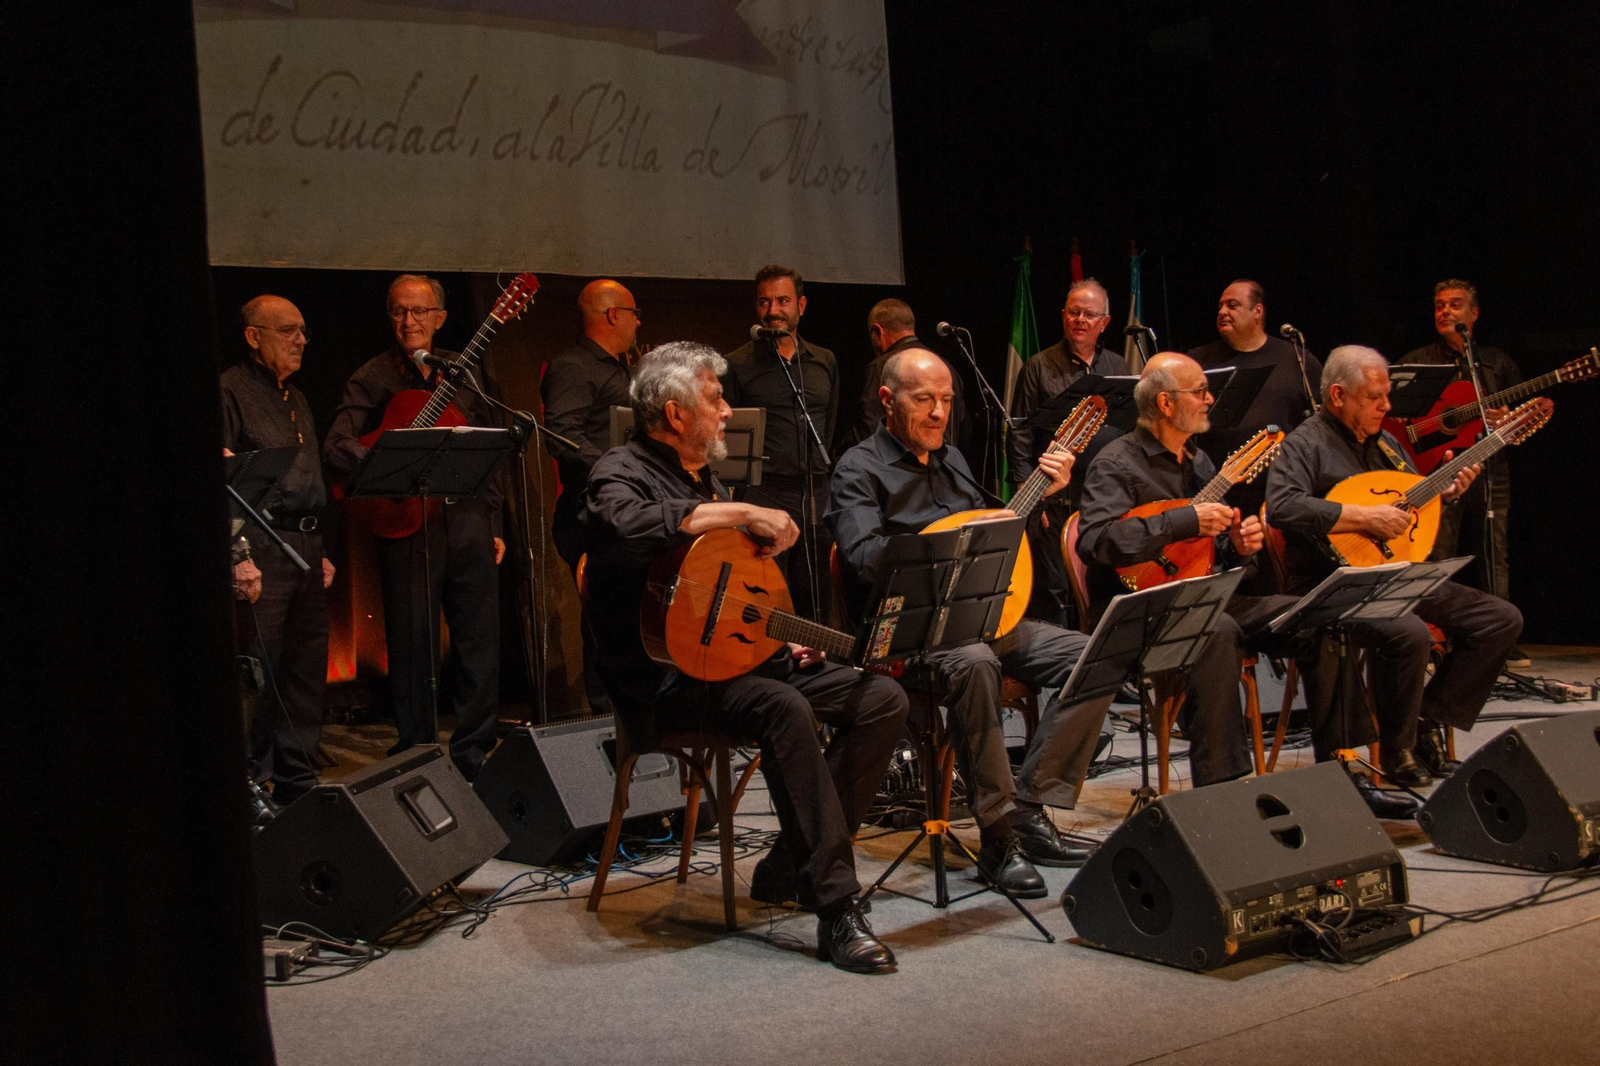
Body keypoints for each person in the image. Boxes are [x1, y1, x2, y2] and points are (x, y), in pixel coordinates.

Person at [582, 341, 906, 975]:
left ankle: (789, 865)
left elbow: (718, 597)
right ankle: (836, 906)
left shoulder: (703, 478)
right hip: (665, 683)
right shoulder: (618, 471)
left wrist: (775, 638)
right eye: (716, 398)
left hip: (735, 664)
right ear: (675, 413)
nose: (729, 410)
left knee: (880, 698)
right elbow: (623, 527)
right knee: (783, 707)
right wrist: (742, 509)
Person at [830, 348, 1115, 898]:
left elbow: (995, 541)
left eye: (945, 400)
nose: (939, 413)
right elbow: (862, 557)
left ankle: (1028, 805)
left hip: (979, 617)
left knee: (1095, 653)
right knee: (976, 664)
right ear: (888, 400)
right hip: (907, 632)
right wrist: (944, 546)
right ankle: (998, 839)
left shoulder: (954, 460)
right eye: (923, 400)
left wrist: (1038, 499)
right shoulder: (857, 468)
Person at [1075, 354, 1348, 800]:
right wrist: (1186, 520)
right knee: (1215, 628)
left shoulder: (1200, 463)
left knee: (1320, 615)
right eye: (1199, 391)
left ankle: (1343, 766)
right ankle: (1223, 791)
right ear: (1165, 403)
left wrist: (1238, 546)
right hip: (1139, 610)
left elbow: (1209, 557)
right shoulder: (1116, 463)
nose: (1209, 400)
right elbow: (1098, 543)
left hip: (1204, 595)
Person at [1265, 345, 1523, 787]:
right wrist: (1361, 517)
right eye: (1374, 397)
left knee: (1500, 619)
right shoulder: (1305, 444)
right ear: (1338, 396)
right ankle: (1396, 750)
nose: (1387, 406)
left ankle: (1424, 719)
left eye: (1387, 395)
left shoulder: (1386, 442)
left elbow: (1408, 502)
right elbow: (1282, 506)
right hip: (1332, 583)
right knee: (1409, 632)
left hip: (1392, 574)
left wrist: (1446, 491)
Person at [324, 274, 505, 780]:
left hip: (467, 517)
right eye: (399, 311)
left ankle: (475, 750)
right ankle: (415, 750)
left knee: (478, 639)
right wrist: (389, 461)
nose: (409, 321)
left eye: (420, 311)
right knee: (411, 642)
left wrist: (494, 521)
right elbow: (336, 444)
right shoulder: (373, 375)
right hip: (408, 522)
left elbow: (490, 446)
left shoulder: (464, 371)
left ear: (440, 318)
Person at [220, 295, 334, 806]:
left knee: (304, 671)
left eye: (303, 330)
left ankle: (297, 782)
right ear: (253, 336)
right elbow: (224, 481)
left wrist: (320, 548)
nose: (300, 340)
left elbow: (308, 478)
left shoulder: (297, 397)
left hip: (304, 544)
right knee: (258, 673)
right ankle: (248, 785)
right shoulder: (229, 390)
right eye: (287, 330)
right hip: (260, 545)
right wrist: (238, 554)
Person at [1400, 278, 1528, 667]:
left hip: (1490, 469)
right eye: (1439, 305)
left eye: (1455, 305)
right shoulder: (1419, 360)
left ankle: (1500, 639)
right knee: (1438, 552)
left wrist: (1507, 421)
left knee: (1494, 551)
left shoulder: (1496, 363)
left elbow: (1519, 418)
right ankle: (1434, 637)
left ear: (1474, 314)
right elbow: (1397, 417)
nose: (1445, 312)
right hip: (1437, 470)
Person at [541, 279, 639, 714]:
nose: (638, 324)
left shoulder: (622, 368)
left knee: (629, 617)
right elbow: (562, 437)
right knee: (604, 619)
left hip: (625, 511)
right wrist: (619, 471)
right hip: (590, 514)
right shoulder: (574, 367)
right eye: (635, 314)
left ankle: (632, 717)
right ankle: (605, 723)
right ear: (614, 314)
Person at [1008, 278, 1130, 625]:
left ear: (1104, 322)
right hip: (1055, 501)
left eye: (1089, 314)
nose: (1080, 319)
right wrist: (1031, 498)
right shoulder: (1038, 366)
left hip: (1105, 500)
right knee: (1056, 590)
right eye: (1073, 312)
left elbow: (1131, 431)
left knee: (1102, 586)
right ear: (1063, 316)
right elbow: (1019, 431)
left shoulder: (1119, 367)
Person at [721, 264, 838, 622]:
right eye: (764, 302)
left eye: (783, 301)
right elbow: (726, 438)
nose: (773, 310)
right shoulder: (737, 364)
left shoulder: (825, 361)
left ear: (801, 305)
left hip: (818, 497)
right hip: (765, 495)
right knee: (767, 600)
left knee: (817, 602)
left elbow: (829, 427)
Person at [1188, 279, 1322, 518]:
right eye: (1220, 306)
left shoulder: (1296, 359)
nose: (1222, 312)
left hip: (1282, 490)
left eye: (1232, 305)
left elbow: (1321, 420)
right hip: (1216, 489)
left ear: (1257, 311)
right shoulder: (1197, 361)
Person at [845, 298, 966, 452]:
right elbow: (964, 429)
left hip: (898, 465)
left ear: (877, 331)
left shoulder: (883, 367)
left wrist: (842, 456)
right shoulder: (946, 367)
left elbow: (868, 428)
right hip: (944, 464)